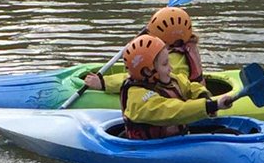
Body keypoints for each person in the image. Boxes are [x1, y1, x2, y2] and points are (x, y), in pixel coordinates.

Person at [91, 33, 233, 139]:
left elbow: (190, 86)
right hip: (152, 148)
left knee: (228, 132)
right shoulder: (139, 101)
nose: (171, 68)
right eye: (165, 64)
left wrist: (203, 95)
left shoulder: (169, 79)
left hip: (176, 138)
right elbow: (173, 110)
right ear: (148, 71)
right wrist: (210, 106)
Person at [81, 5, 204, 93]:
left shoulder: (172, 61)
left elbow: (137, 79)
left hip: (174, 98)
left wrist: (104, 83)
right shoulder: (184, 48)